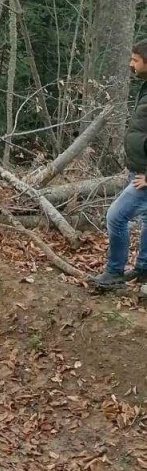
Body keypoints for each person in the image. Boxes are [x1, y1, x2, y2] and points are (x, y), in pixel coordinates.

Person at [91, 41, 147, 290]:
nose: (130, 64)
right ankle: (144, 269)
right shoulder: (145, 88)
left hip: (144, 176)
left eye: (135, 59)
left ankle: (114, 273)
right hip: (138, 170)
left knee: (115, 216)